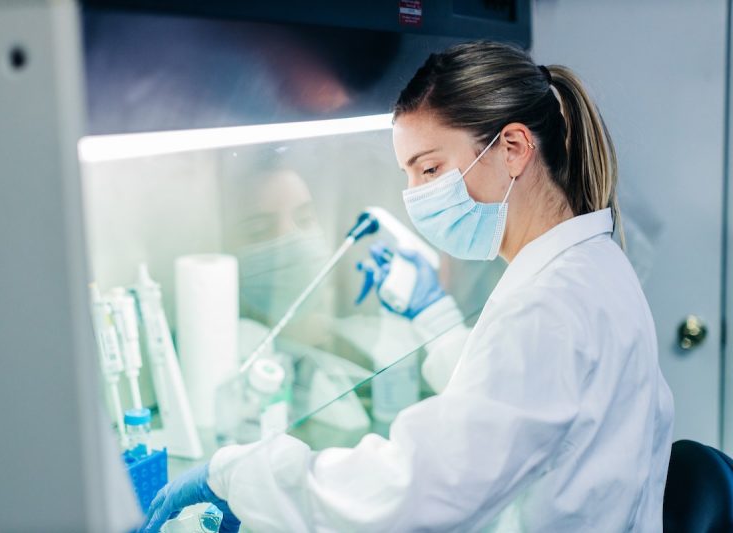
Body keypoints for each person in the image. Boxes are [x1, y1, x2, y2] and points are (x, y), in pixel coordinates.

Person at [140, 40, 674, 532]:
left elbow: (417, 490)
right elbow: (518, 407)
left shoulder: (547, 309)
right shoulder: (591, 264)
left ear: (513, 148)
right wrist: (434, 315)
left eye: (430, 169)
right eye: (409, 175)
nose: (416, 196)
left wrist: (237, 475)